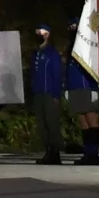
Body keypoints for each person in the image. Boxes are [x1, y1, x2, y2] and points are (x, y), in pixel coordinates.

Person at [62, 29, 99, 166]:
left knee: (92, 121)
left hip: (87, 87)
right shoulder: (71, 49)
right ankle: (88, 153)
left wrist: (94, 88)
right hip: (75, 88)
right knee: (83, 122)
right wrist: (67, 88)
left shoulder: (88, 48)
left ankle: (94, 154)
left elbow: (93, 69)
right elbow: (67, 70)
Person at [26, 25, 65, 164]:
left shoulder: (52, 53)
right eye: (37, 32)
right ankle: (48, 151)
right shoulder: (35, 53)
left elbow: (57, 75)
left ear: (47, 35)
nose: (38, 35)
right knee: (42, 124)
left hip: (49, 93)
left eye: (41, 33)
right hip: (38, 93)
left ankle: (55, 153)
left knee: (51, 123)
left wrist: (56, 94)